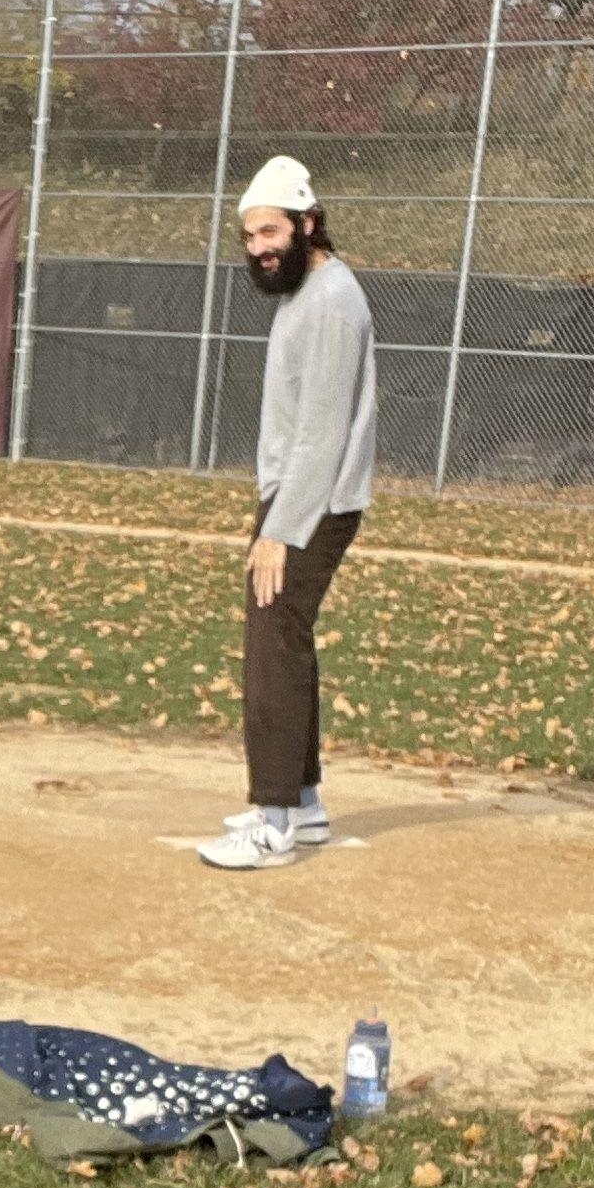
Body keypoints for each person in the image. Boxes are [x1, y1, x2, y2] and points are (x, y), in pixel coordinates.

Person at [196, 156, 375, 873]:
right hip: (300, 496)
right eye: (248, 236)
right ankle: (301, 802)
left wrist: (279, 528)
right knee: (283, 639)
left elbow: (324, 433)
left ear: (307, 224)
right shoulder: (309, 292)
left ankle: (273, 824)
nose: (259, 247)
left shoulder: (331, 300)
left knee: (272, 646)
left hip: (313, 502)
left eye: (270, 231)